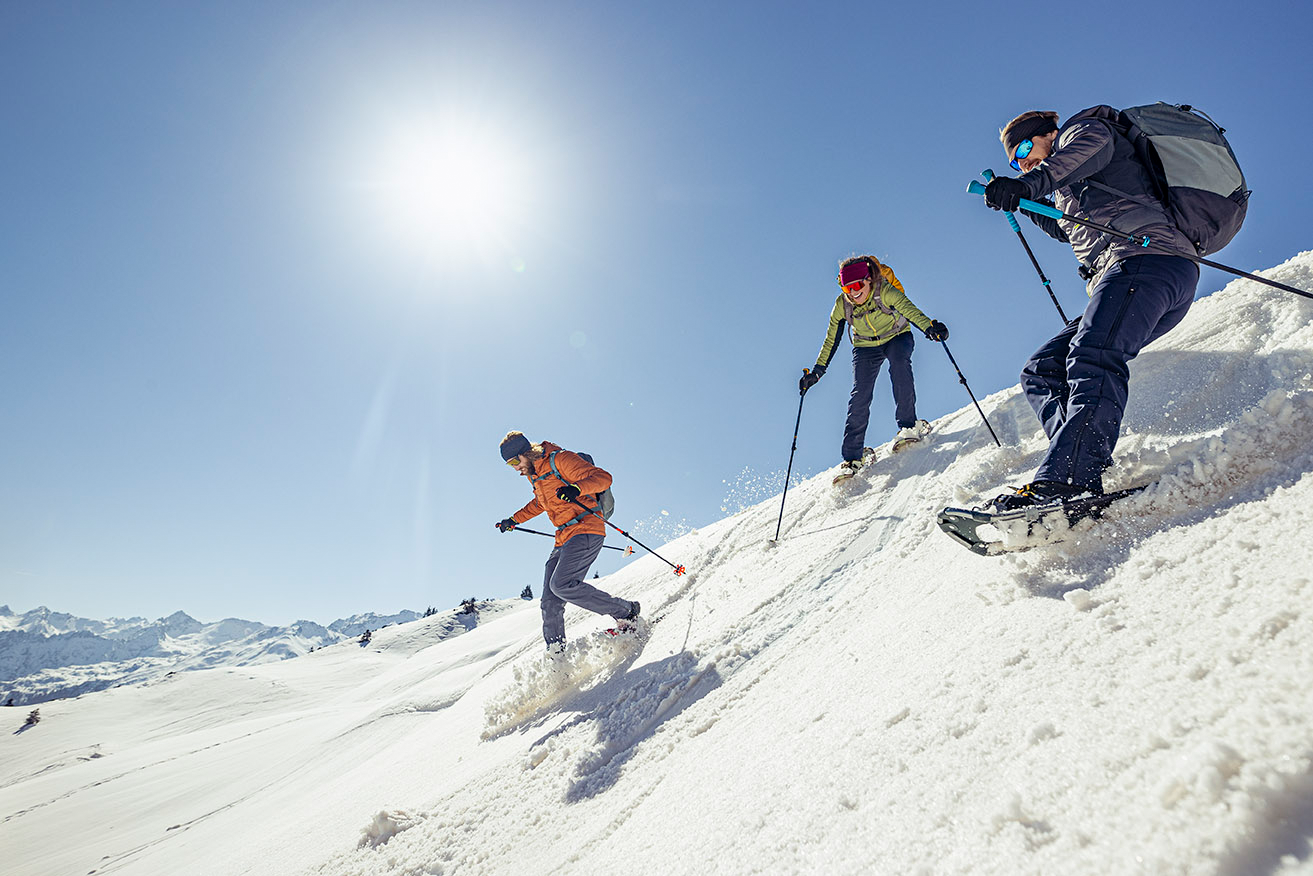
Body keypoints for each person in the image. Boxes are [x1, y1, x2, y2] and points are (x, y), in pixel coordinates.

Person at [981, 108, 1200, 509]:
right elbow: (1064, 227)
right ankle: (1084, 463)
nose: (1023, 160)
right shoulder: (1069, 186)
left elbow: (1064, 164)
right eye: (1014, 159)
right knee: (1042, 369)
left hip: (1150, 261)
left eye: (1026, 148)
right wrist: (1021, 200)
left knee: (1092, 356)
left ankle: (1068, 479)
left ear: (1049, 133)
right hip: (1125, 278)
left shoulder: (1087, 133)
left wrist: (1026, 185)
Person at [799, 255, 949, 477]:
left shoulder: (885, 291)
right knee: (860, 394)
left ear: (869, 280)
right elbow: (831, 338)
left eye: (858, 285)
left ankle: (909, 426)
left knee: (900, 367)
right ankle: (853, 458)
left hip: (897, 336)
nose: (853, 292)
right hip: (865, 347)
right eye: (846, 288)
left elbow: (909, 310)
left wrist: (930, 327)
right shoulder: (843, 305)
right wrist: (817, 371)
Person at [495, 431, 640, 651]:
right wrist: (513, 520)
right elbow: (539, 504)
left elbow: (603, 478)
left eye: (515, 461)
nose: (515, 468)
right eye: (509, 465)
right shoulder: (536, 475)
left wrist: (577, 488)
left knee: (562, 584)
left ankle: (626, 611)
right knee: (549, 601)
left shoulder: (560, 459)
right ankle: (557, 655)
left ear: (526, 453)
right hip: (563, 537)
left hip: (586, 529)